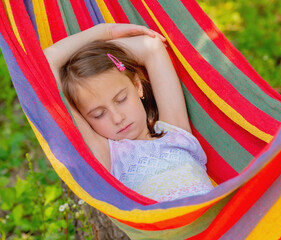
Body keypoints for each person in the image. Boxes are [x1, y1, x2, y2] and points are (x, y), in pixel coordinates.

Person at [44, 23, 214, 202]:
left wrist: (107, 47)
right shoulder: (109, 158)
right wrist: (103, 32)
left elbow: (151, 47)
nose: (118, 118)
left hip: (221, 222)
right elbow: (45, 64)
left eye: (121, 99)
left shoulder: (174, 130)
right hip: (174, 228)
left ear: (137, 86)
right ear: (85, 120)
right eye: (98, 114)